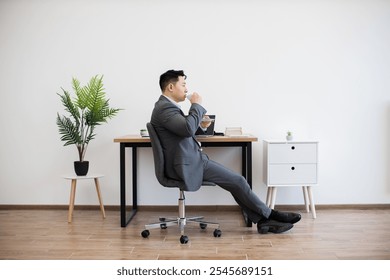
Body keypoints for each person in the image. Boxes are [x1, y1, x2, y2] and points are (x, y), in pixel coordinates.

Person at [150, 69, 301, 234]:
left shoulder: (167, 107)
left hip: (192, 160)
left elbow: (182, 130)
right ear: (171, 87)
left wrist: (200, 126)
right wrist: (196, 105)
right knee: (238, 181)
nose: (187, 89)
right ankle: (270, 215)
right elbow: (186, 129)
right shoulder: (165, 108)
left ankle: (265, 219)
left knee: (236, 182)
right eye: (183, 84)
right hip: (186, 165)